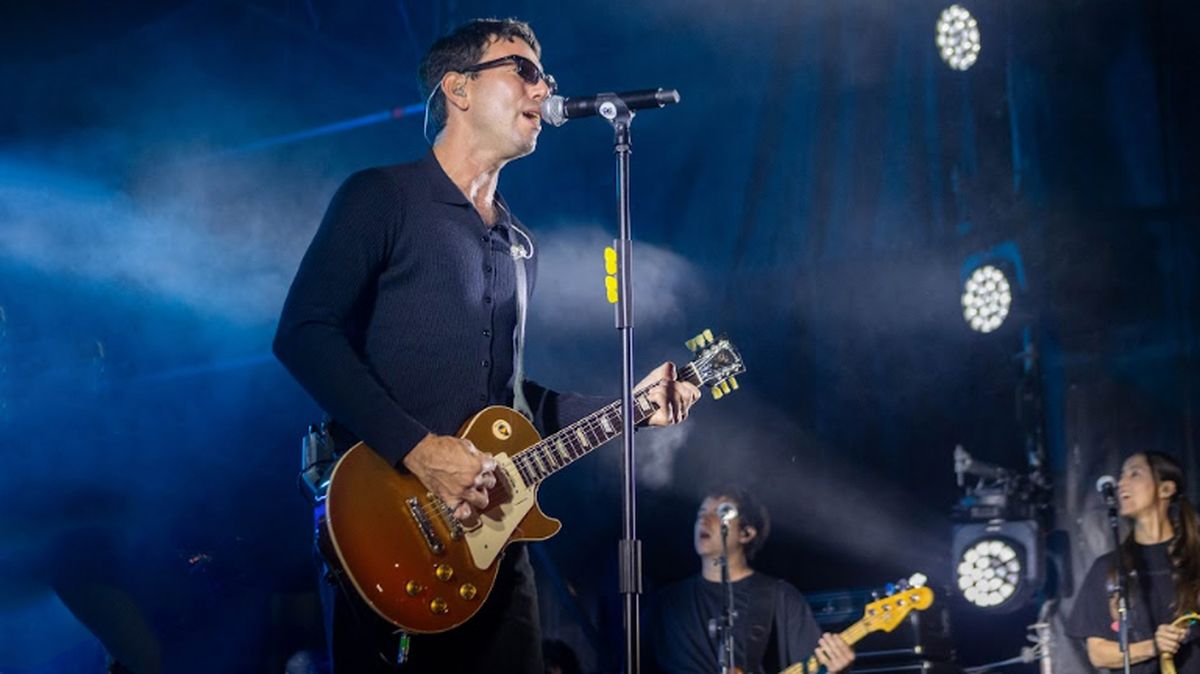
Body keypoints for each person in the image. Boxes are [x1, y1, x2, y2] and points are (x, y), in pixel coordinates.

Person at [272, 17, 701, 674]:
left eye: (548, 74)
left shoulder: (518, 242)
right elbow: (304, 333)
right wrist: (420, 450)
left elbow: (514, 405)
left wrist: (631, 404)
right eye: (523, 69)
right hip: (386, 522)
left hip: (492, 541)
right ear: (459, 89)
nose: (545, 86)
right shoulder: (381, 197)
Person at [649, 485, 856, 674]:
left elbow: (813, 665)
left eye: (720, 513)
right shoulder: (667, 604)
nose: (704, 520)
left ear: (746, 533)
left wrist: (834, 671)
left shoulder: (780, 598)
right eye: (701, 514)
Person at [1067, 452, 1200, 673]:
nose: (1121, 484)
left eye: (1134, 474)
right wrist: (1154, 647)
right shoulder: (1108, 568)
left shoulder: (1195, 559)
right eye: (1121, 476)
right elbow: (1098, 654)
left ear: (1166, 489)